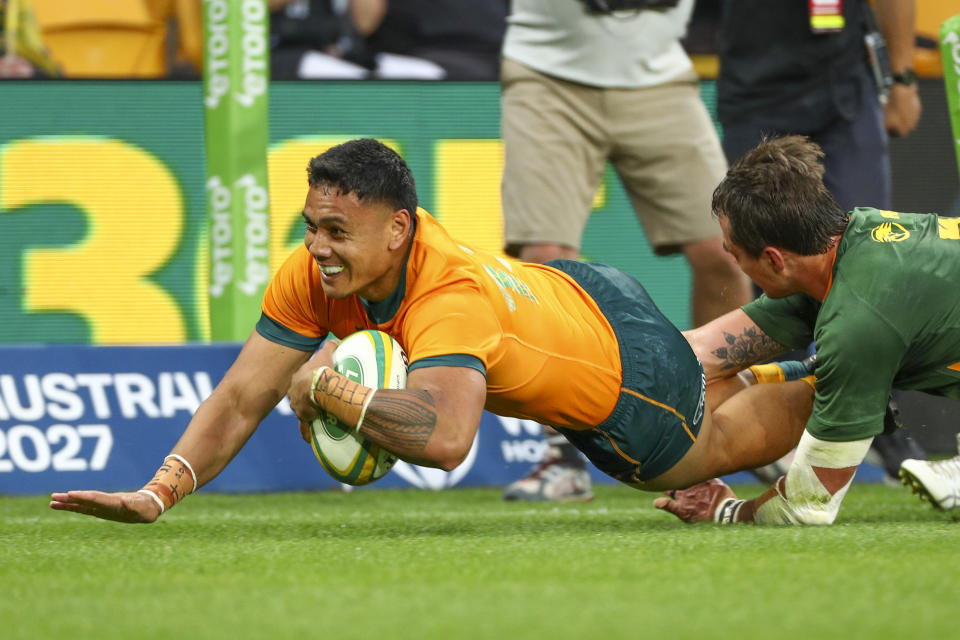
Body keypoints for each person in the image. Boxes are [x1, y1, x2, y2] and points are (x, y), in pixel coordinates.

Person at [49, 138, 810, 524]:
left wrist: (327, 385)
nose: (317, 247)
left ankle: (862, 372)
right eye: (312, 226)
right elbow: (242, 396)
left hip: (637, 403)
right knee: (724, 355)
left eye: (337, 230)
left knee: (700, 448)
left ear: (397, 230)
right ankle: (841, 326)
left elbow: (445, 440)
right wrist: (158, 492)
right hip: (591, 294)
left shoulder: (446, 295)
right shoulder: (316, 273)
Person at [498, 0, 751, 502]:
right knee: (548, 263)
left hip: (659, 75)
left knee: (724, 253)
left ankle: (716, 426)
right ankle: (562, 458)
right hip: (547, 76)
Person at [655, 135, 960, 525]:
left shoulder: (856, 322)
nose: (733, 263)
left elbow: (807, 504)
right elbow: (701, 352)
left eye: (734, 254)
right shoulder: (848, 245)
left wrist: (724, 510)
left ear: (773, 260)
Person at [715, 0, 925, 480]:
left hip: (844, 88)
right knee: (770, 256)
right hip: (756, 89)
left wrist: (902, 78)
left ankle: (881, 419)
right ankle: (781, 423)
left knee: (871, 247)